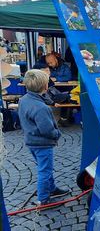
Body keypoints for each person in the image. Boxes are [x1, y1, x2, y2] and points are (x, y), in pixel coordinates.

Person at [18, 70, 70, 206]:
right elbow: (47, 130)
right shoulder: (41, 108)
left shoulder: (24, 100)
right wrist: (57, 134)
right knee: (45, 171)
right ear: (45, 86)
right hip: (42, 144)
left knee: (44, 168)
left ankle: (51, 189)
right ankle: (43, 199)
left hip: (31, 142)